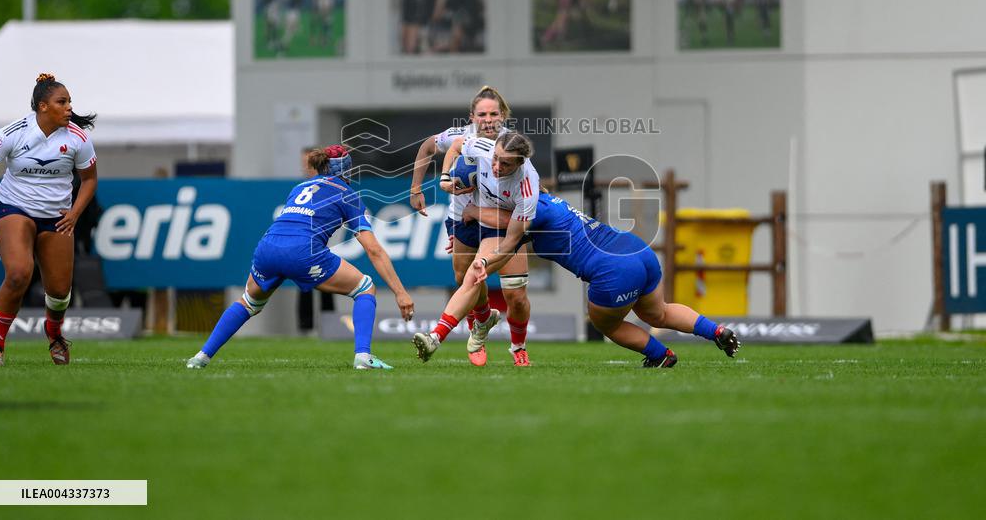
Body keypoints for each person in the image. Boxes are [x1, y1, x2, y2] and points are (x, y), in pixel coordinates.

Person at [417, 190, 741, 367]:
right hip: (637, 249)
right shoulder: (546, 202)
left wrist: (471, 216)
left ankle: (661, 355)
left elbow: (503, 224)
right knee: (658, 312)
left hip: (613, 270)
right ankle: (716, 330)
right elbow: (509, 232)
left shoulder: (529, 214)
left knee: (606, 324)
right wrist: (470, 240)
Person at [187, 145, 414, 371]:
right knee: (365, 287)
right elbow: (373, 249)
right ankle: (363, 356)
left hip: (267, 247)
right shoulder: (348, 194)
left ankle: (201, 357)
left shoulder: (299, 187)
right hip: (302, 252)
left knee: (248, 302)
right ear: (346, 170)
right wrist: (400, 292)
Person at [409, 88, 533, 366]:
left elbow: (528, 187)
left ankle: (518, 347)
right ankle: (483, 319)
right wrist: (418, 187)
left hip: (501, 221)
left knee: (515, 294)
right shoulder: (460, 137)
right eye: (482, 114)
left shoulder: (510, 145)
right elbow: (429, 146)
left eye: (493, 114)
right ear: (471, 117)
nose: (488, 119)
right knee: (463, 277)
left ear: (503, 115)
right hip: (462, 218)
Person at [0, 73, 98, 366]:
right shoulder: (12, 133)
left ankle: (54, 332)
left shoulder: (78, 138)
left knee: (60, 292)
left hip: (56, 217)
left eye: (70, 102)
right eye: (62, 102)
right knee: (19, 273)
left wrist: (74, 213)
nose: (69, 108)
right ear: (42, 106)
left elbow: (89, 181)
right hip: (14, 208)